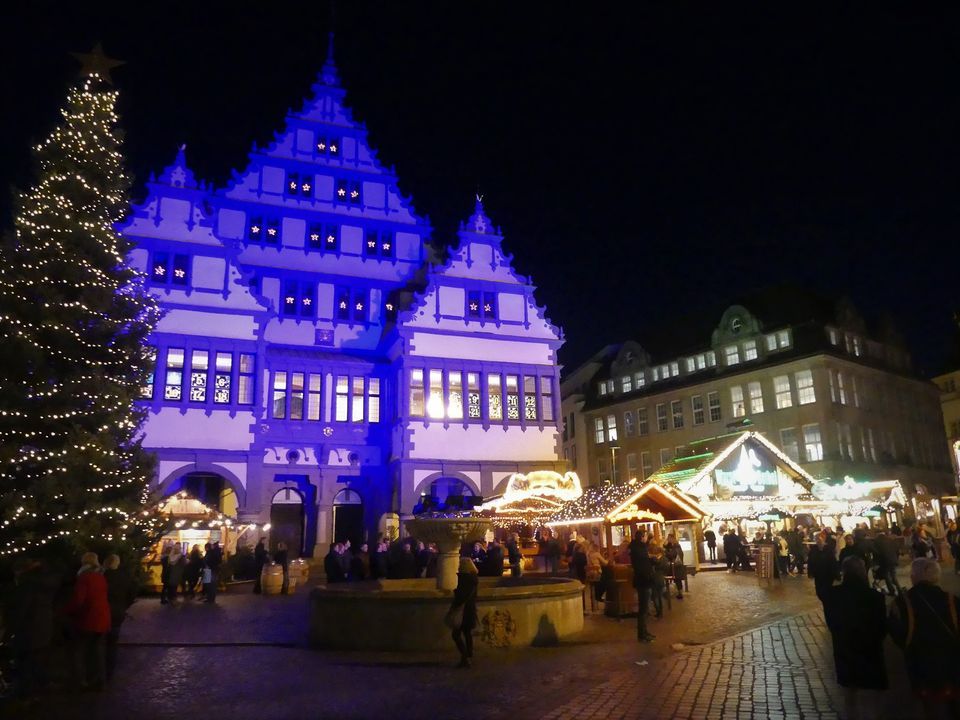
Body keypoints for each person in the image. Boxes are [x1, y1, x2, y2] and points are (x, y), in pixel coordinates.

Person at [889, 558, 960, 719]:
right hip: (951, 662)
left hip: (920, 662)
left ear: (915, 576)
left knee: (929, 706)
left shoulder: (903, 602)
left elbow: (897, 632)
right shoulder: (951, 600)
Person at [823, 557, 888, 720]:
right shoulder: (875, 597)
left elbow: (832, 623)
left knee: (850, 695)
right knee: (872, 694)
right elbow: (881, 626)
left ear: (844, 572)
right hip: (870, 649)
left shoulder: (832, 595)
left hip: (845, 649)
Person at [9, 556, 60, 699]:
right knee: (35, 659)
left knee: (24, 663)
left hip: (28, 630)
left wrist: (9, 631)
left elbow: (21, 610)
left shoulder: (26, 585)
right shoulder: (44, 582)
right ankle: (43, 683)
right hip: (43, 627)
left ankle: (25, 695)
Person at [63, 552, 111, 691]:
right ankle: (99, 679)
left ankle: (81, 680)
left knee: (79, 650)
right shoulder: (100, 576)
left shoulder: (84, 577)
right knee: (98, 650)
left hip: (89, 617)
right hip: (102, 617)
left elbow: (78, 600)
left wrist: (66, 611)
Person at [103, 554, 136, 683]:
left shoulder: (103, 576)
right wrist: (124, 605)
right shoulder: (124, 577)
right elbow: (131, 593)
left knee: (101, 642)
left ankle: (101, 671)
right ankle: (109, 671)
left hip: (104, 611)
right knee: (112, 642)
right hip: (118, 612)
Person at [448, 557, 479, 668]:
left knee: (456, 635)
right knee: (467, 633)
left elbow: (462, 595)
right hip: (470, 609)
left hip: (464, 610)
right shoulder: (474, 578)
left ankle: (465, 656)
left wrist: (455, 594)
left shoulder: (464, 578)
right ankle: (469, 655)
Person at [630, 530, 655, 642]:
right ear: (642, 537)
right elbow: (643, 564)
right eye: (645, 536)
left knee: (644, 608)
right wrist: (651, 561)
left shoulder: (638, 548)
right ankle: (642, 634)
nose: (645, 539)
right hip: (643, 580)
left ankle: (644, 631)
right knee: (643, 609)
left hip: (642, 580)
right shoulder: (639, 549)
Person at [808, 532, 839, 603]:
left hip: (828, 575)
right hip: (818, 575)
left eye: (820, 539)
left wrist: (836, 575)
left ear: (823, 539)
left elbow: (833, 562)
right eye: (816, 539)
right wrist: (810, 573)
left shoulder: (829, 549)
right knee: (819, 592)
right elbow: (810, 562)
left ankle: (828, 604)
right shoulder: (813, 550)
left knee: (828, 591)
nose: (818, 541)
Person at [649, 541, 669, 619]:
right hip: (661, 578)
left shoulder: (656, 559)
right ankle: (660, 612)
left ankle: (659, 611)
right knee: (659, 596)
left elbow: (655, 562)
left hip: (655, 578)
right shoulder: (665, 559)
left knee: (655, 596)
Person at [664, 534, 685, 600]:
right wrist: (665, 544)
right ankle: (679, 593)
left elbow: (672, 554)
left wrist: (665, 552)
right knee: (677, 579)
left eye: (669, 538)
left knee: (678, 579)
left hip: (677, 566)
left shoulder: (676, 546)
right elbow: (666, 547)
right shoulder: (673, 545)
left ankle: (680, 593)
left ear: (672, 538)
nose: (668, 539)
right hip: (676, 566)